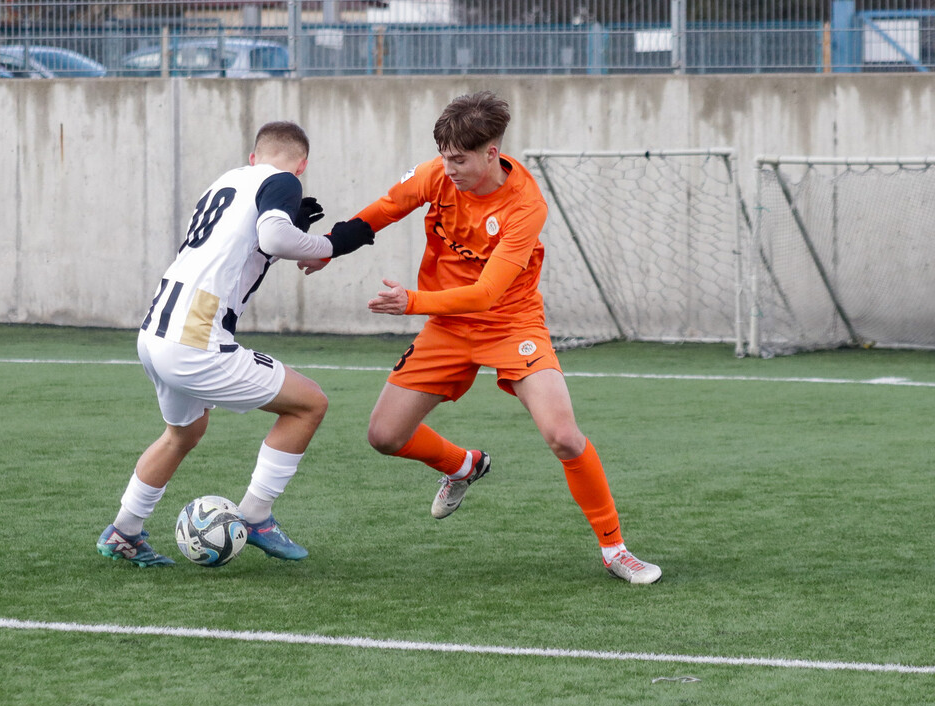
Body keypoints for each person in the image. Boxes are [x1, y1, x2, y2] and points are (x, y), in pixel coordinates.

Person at [358, 91, 661, 583]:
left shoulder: (525, 206)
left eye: (459, 159)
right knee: (384, 436)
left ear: (491, 152)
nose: (447, 167)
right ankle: (463, 466)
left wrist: (410, 302)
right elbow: (384, 209)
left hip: (511, 322)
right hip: (449, 327)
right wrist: (326, 246)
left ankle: (615, 550)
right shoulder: (438, 175)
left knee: (563, 437)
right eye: (444, 156)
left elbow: (485, 294)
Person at [97, 121, 374, 566]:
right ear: (303, 164)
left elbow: (245, 243)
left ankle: (123, 532)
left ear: (252, 156)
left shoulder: (227, 180)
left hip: (156, 327)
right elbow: (274, 237)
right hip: (196, 334)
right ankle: (257, 516)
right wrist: (331, 244)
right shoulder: (284, 180)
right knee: (309, 404)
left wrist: (289, 231)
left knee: (183, 433)